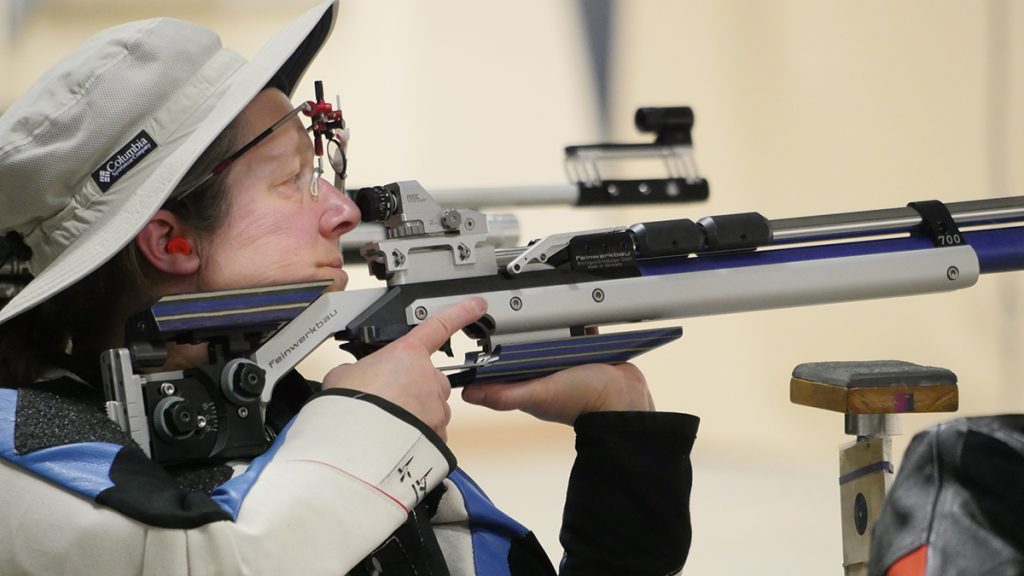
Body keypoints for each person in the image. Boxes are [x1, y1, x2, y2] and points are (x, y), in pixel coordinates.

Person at [0, 1, 699, 574]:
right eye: (295, 182)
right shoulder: (26, 448)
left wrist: (621, 432)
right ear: (171, 242)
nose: (343, 210)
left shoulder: (276, 411)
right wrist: (372, 420)